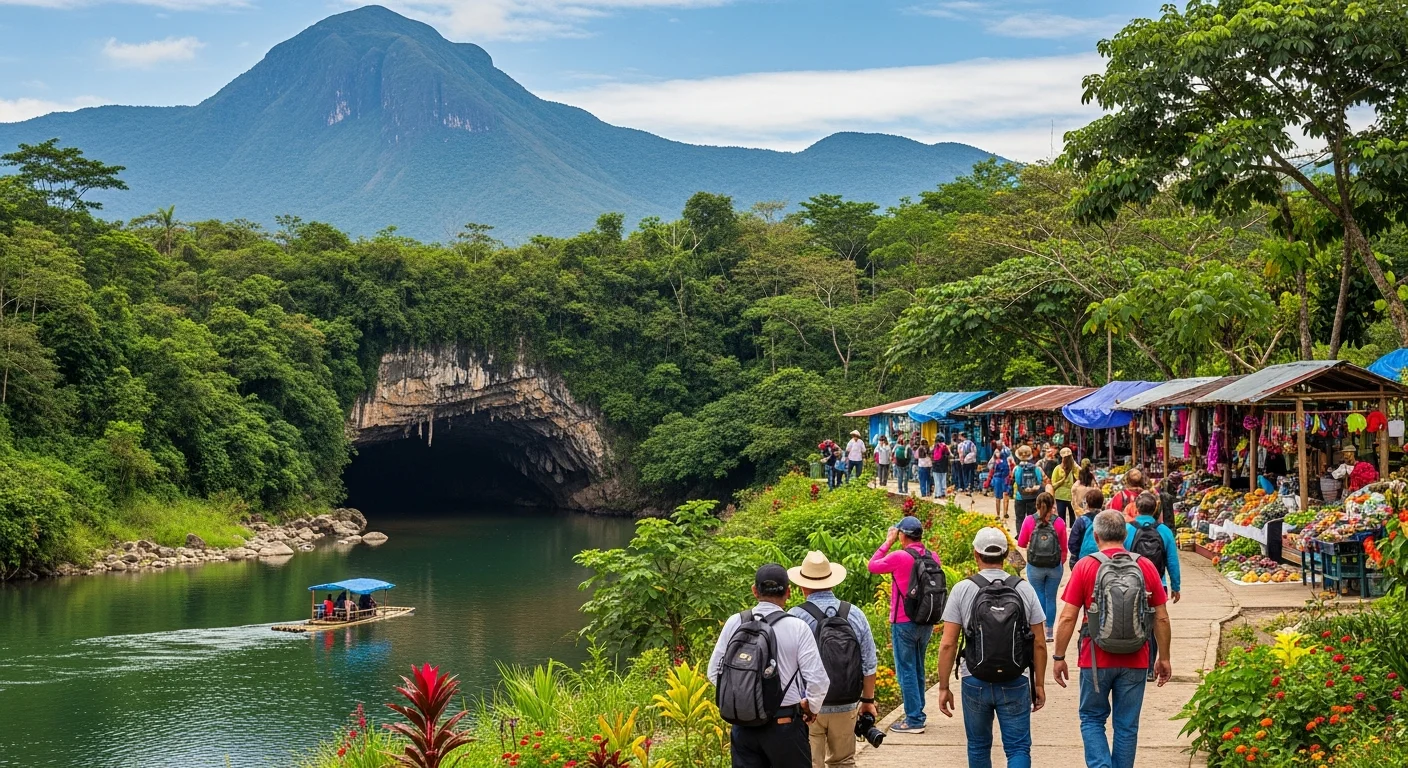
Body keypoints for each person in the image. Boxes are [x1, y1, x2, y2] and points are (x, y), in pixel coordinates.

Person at [1052, 511, 1173, 768]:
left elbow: (1067, 618)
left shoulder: (1086, 565)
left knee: (1092, 718)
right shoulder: (1145, 566)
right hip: (1137, 657)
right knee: (1126, 726)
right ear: (1126, 535)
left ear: (1096, 536)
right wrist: (1163, 657)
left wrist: (1059, 657)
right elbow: (1161, 618)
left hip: (1095, 658)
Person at [936, 528, 1048, 768]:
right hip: (1016, 678)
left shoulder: (963, 589)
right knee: (1018, 748)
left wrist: (944, 686)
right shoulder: (1024, 589)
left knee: (978, 746)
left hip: (974, 678)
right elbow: (1039, 642)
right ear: (1006, 555)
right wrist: (1038, 683)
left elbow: (948, 644)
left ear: (976, 554)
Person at [708, 564, 830, 768]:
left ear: (754, 591)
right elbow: (818, 681)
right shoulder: (797, 626)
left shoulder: (735, 622)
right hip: (785, 725)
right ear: (788, 592)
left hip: (743, 728)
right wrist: (811, 707)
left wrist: (745, 700)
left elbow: (714, 672)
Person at [788, 551, 878, 768]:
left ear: (803, 586)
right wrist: (867, 701)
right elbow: (869, 662)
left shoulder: (794, 617)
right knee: (844, 762)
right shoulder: (854, 613)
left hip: (807, 705)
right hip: (846, 703)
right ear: (832, 583)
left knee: (811, 763)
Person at [867, 516, 939, 734]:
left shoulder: (899, 556)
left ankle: (914, 719)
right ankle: (918, 712)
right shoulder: (931, 556)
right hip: (926, 620)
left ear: (902, 535)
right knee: (917, 667)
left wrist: (887, 541)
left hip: (903, 621)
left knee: (906, 670)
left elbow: (872, 566)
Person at [1124, 492, 1181, 682]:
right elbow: (1172, 560)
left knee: (1135, 622)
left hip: (1132, 585)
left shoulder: (1128, 530)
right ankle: (1150, 668)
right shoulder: (1164, 531)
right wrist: (1176, 586)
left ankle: (1137, 663)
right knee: (1155, 624)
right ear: (1155, 509)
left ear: (1136, 508)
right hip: (1158, 584)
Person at [1018, 492, 1068, 642]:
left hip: (1035, 565)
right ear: (1053, 505)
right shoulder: (1059, 522)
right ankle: (1050, 632)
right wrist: (1059, 562)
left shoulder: (1029, 520)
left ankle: (1038, 629)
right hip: (1054, 566)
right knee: (1051, 597)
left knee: (1038, 594)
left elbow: (1021, 543)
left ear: (1037, 505)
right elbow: (1064, 547)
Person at [1068, 489, 1107, 567]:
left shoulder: (1081, 521)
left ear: (1087, 504)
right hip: (1102, 559)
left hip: (1083, 560)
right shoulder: (1107, 519)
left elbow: (1072, 543)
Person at [1011, 445, 1046, 531]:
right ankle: (1032, 535)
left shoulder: (1017, 468)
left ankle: (1020, 537)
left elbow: (1017, 482)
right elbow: (1040, 480)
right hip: (1033, 497)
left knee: (1020, 518)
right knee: (1032, 518)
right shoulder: (1036, 468)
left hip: (1020, 497)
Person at [989, 441, 1014, 521]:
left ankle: (1005, 513)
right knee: (998, 496)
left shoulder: (1006, 452)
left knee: (1005, 495)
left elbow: (1012, 463)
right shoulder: (995, 455)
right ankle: (998, 514)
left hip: (1005, 478)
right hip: (997, 478)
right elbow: (990, 466)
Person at [1051, 448, 1077, 522]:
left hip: (1071, 496)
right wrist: (1062, 480)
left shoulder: (1074, 468)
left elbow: (1080, 476)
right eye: (1066, 458)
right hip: (1060, 497)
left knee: (1073, 518)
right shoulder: (1057, 469)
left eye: (1069, 457)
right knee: (1061, 518)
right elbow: (1053, 485)